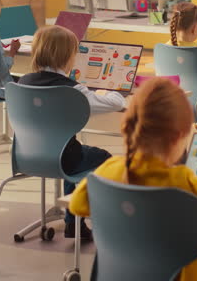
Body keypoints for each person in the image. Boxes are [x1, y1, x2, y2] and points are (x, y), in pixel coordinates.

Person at [69, 77, 197, 281]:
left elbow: (76, 205)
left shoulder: (108, 171)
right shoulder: (186, 184)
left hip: (123, 275)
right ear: (178, 136)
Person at [18, 25, 123, 240]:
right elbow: (115, 103)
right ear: (67, 57)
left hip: (27, 157)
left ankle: (72, 222)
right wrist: (107, 91)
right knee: (103, 159)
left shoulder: (22, 83)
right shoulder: (73, 91)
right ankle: (81, 220)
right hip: (64, 160)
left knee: (70, 150)